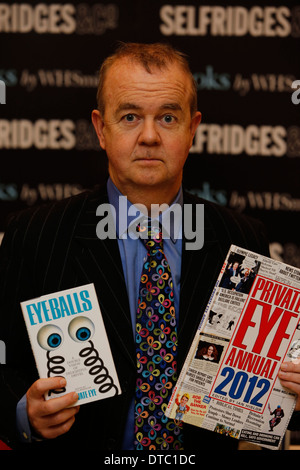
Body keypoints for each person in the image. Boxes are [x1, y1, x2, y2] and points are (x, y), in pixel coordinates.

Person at [0, 42, 300, 451]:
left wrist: (289, 384)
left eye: (168, 117)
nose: (149, 136)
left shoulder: (243, 238)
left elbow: (260, 388)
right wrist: (23, 412)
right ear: (101, 129)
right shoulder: (34, 236)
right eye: (129, 117)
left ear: (192, 129)